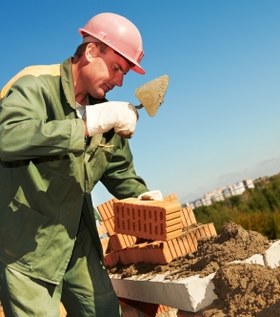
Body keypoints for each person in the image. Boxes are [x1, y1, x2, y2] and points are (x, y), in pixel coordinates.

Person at [0, 12, 162, 317]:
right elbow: (7, 137)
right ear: (90, 51)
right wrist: (86, 124)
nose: (119, 81)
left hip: (76, 234)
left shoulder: (103, 109)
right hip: (23, 240)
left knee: (101, 310)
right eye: (116, 68)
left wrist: (140, 195)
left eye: (125, 74)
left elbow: (118, 169)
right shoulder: (36, 84)